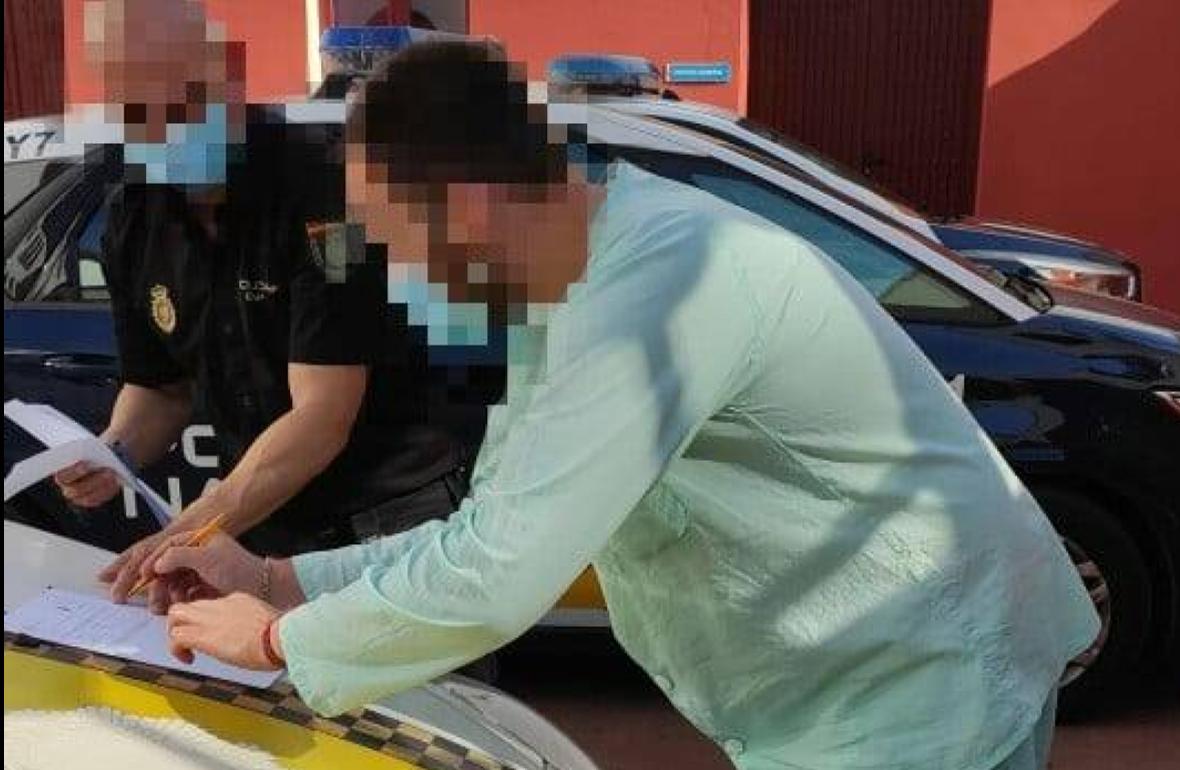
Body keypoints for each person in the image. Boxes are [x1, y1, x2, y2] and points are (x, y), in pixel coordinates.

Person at [158, 40, 1101, 770]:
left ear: (470, 204)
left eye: (393, 238)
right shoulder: (566, 294)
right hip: (853, 678)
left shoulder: (658, 289)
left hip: (922, 676)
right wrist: (278, 580)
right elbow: (493, 526)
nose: (393, 273)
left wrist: (276, 640)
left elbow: (499, 574)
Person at [54, 0, 484, 613]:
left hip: (388, 527)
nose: (165, 123)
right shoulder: (136, 216)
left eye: (180, 95)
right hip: (260, 532)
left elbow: (322, 414)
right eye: (139, 105)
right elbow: (161, 389)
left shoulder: (328, 194)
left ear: (226, 73)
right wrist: (113, 453)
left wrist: (193, 526)